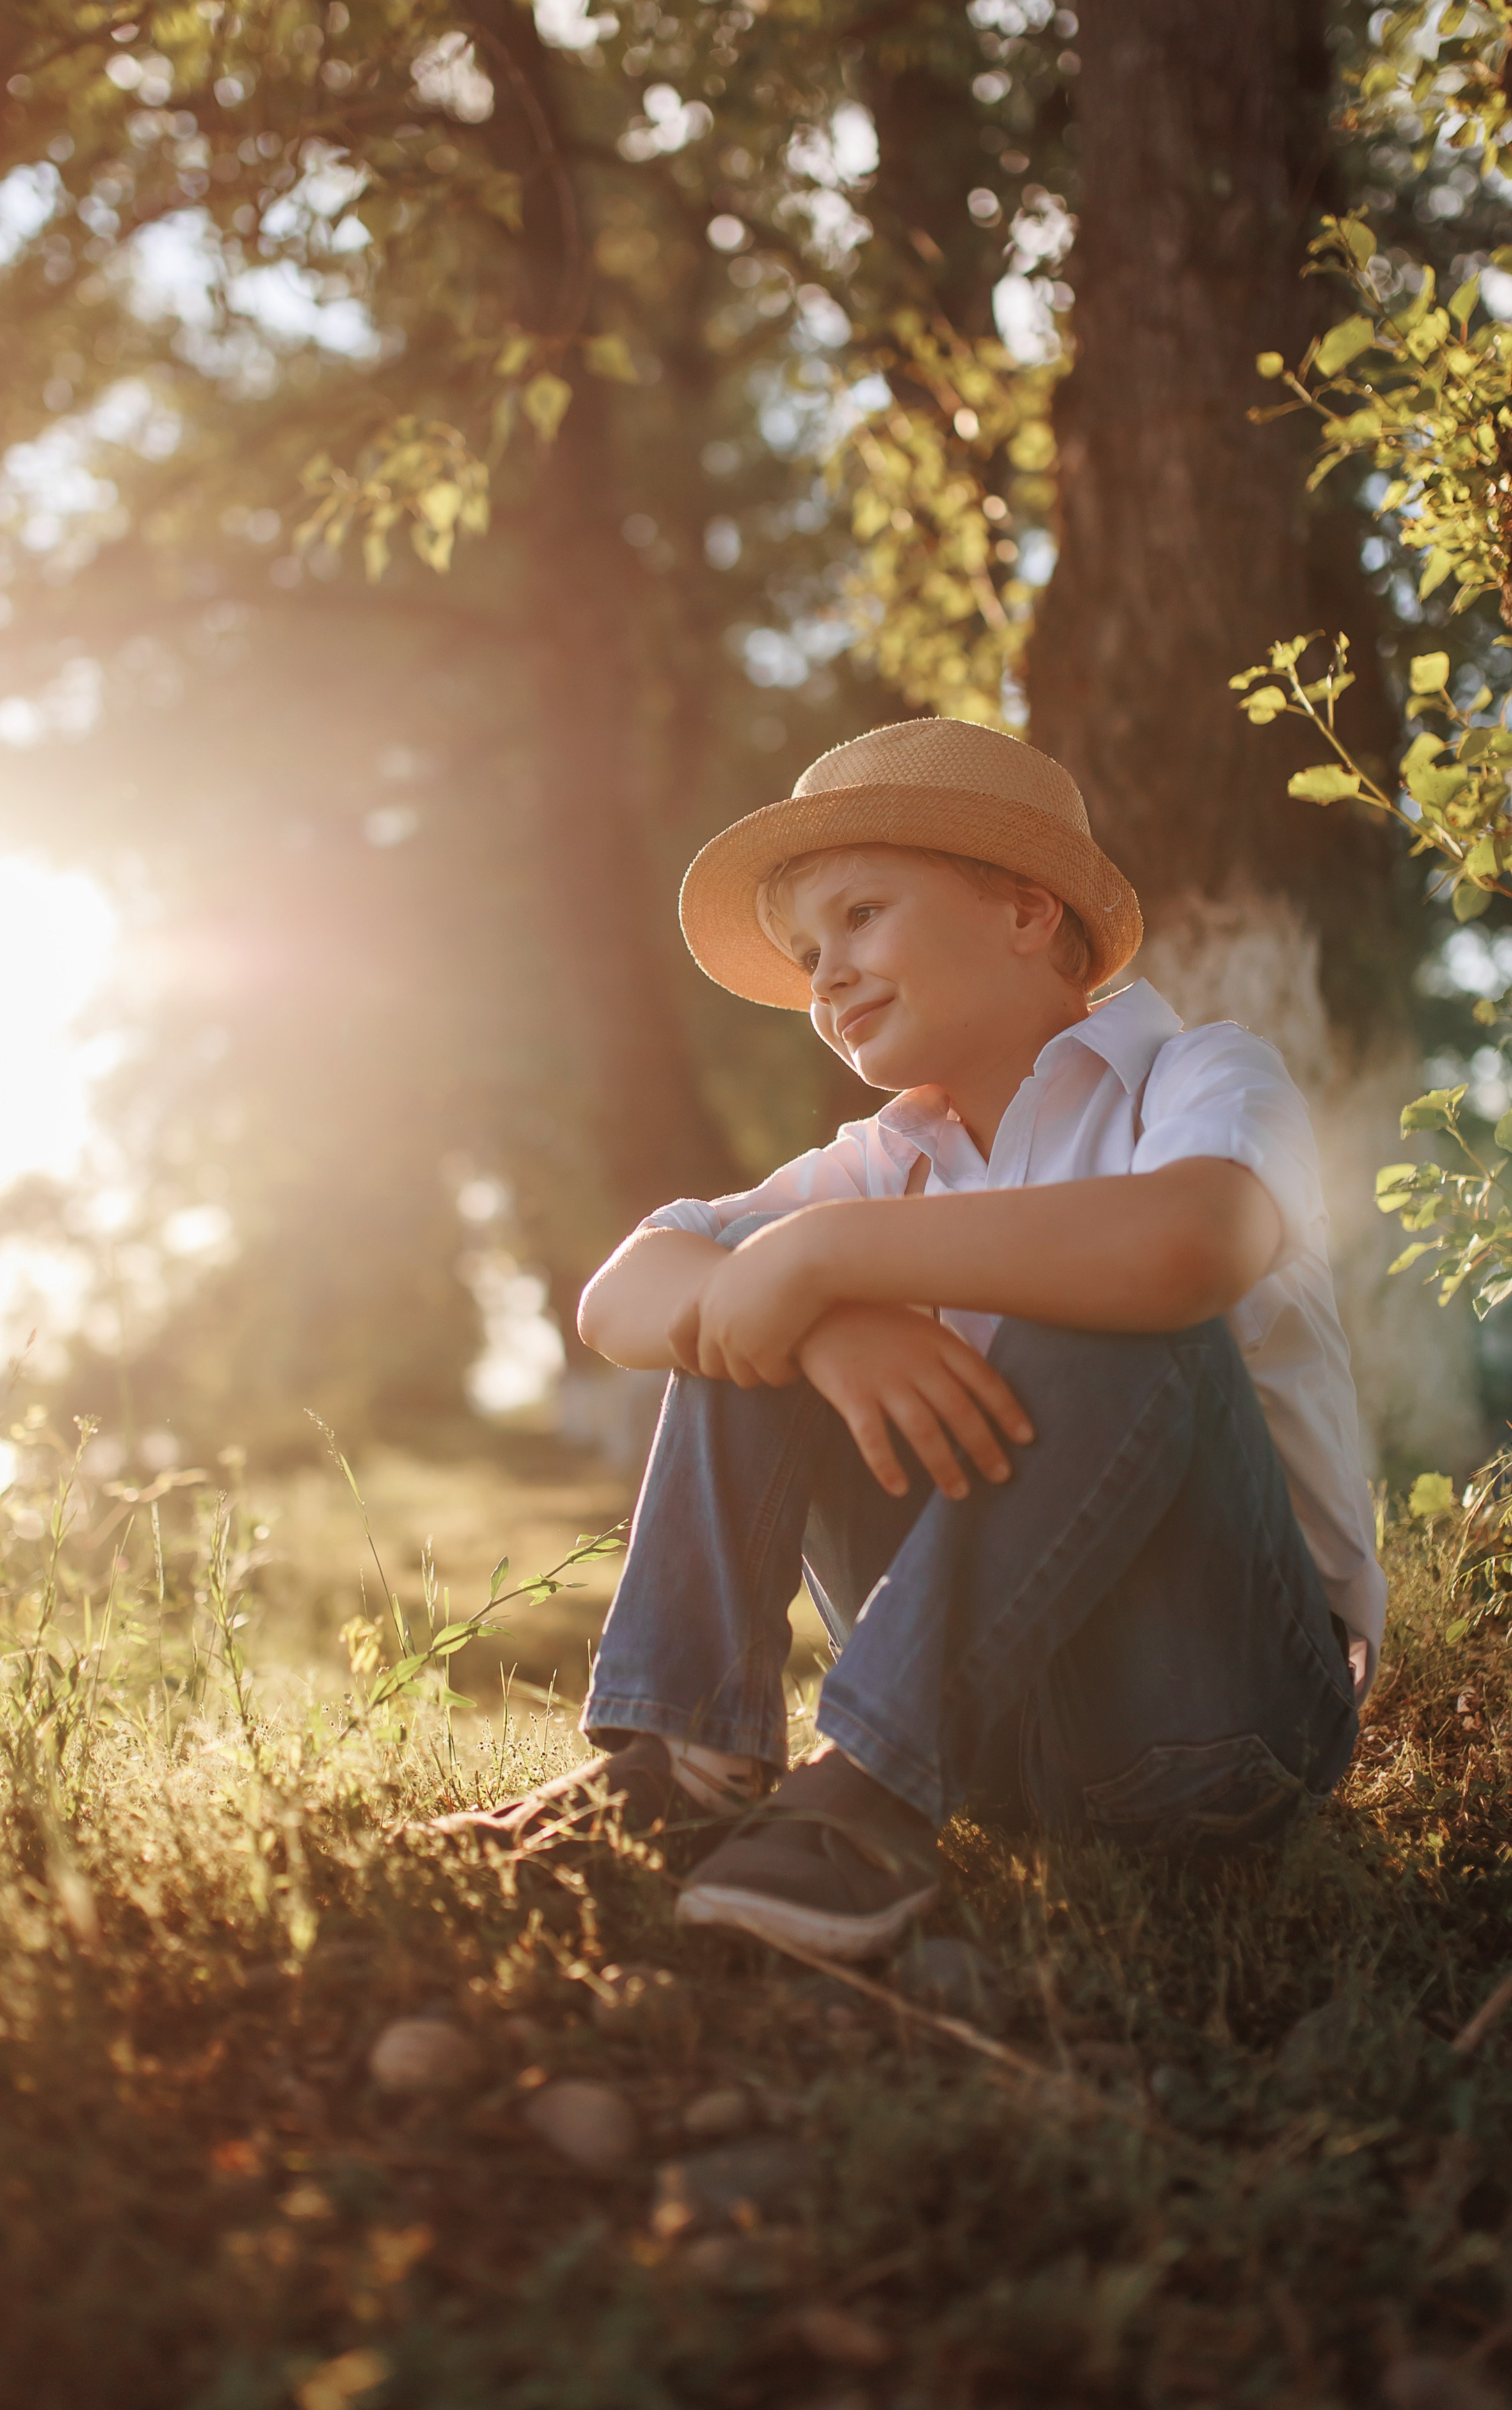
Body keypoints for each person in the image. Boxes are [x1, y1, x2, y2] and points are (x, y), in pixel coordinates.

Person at [439, 719, 1381, 1964]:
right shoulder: (876, 1164)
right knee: (739, 1308)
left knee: (1103, 1298)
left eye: (862, 917)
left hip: (1214, 1716)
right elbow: (619, 1299)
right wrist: (822, 1321)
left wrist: (822, 1262)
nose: (825, 978)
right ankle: (676, 1768)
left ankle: (863, 1800)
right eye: (807, 952)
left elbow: (1189, 1248)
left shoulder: (1199, 1078)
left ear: (1028, 909)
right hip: (986, 1738)